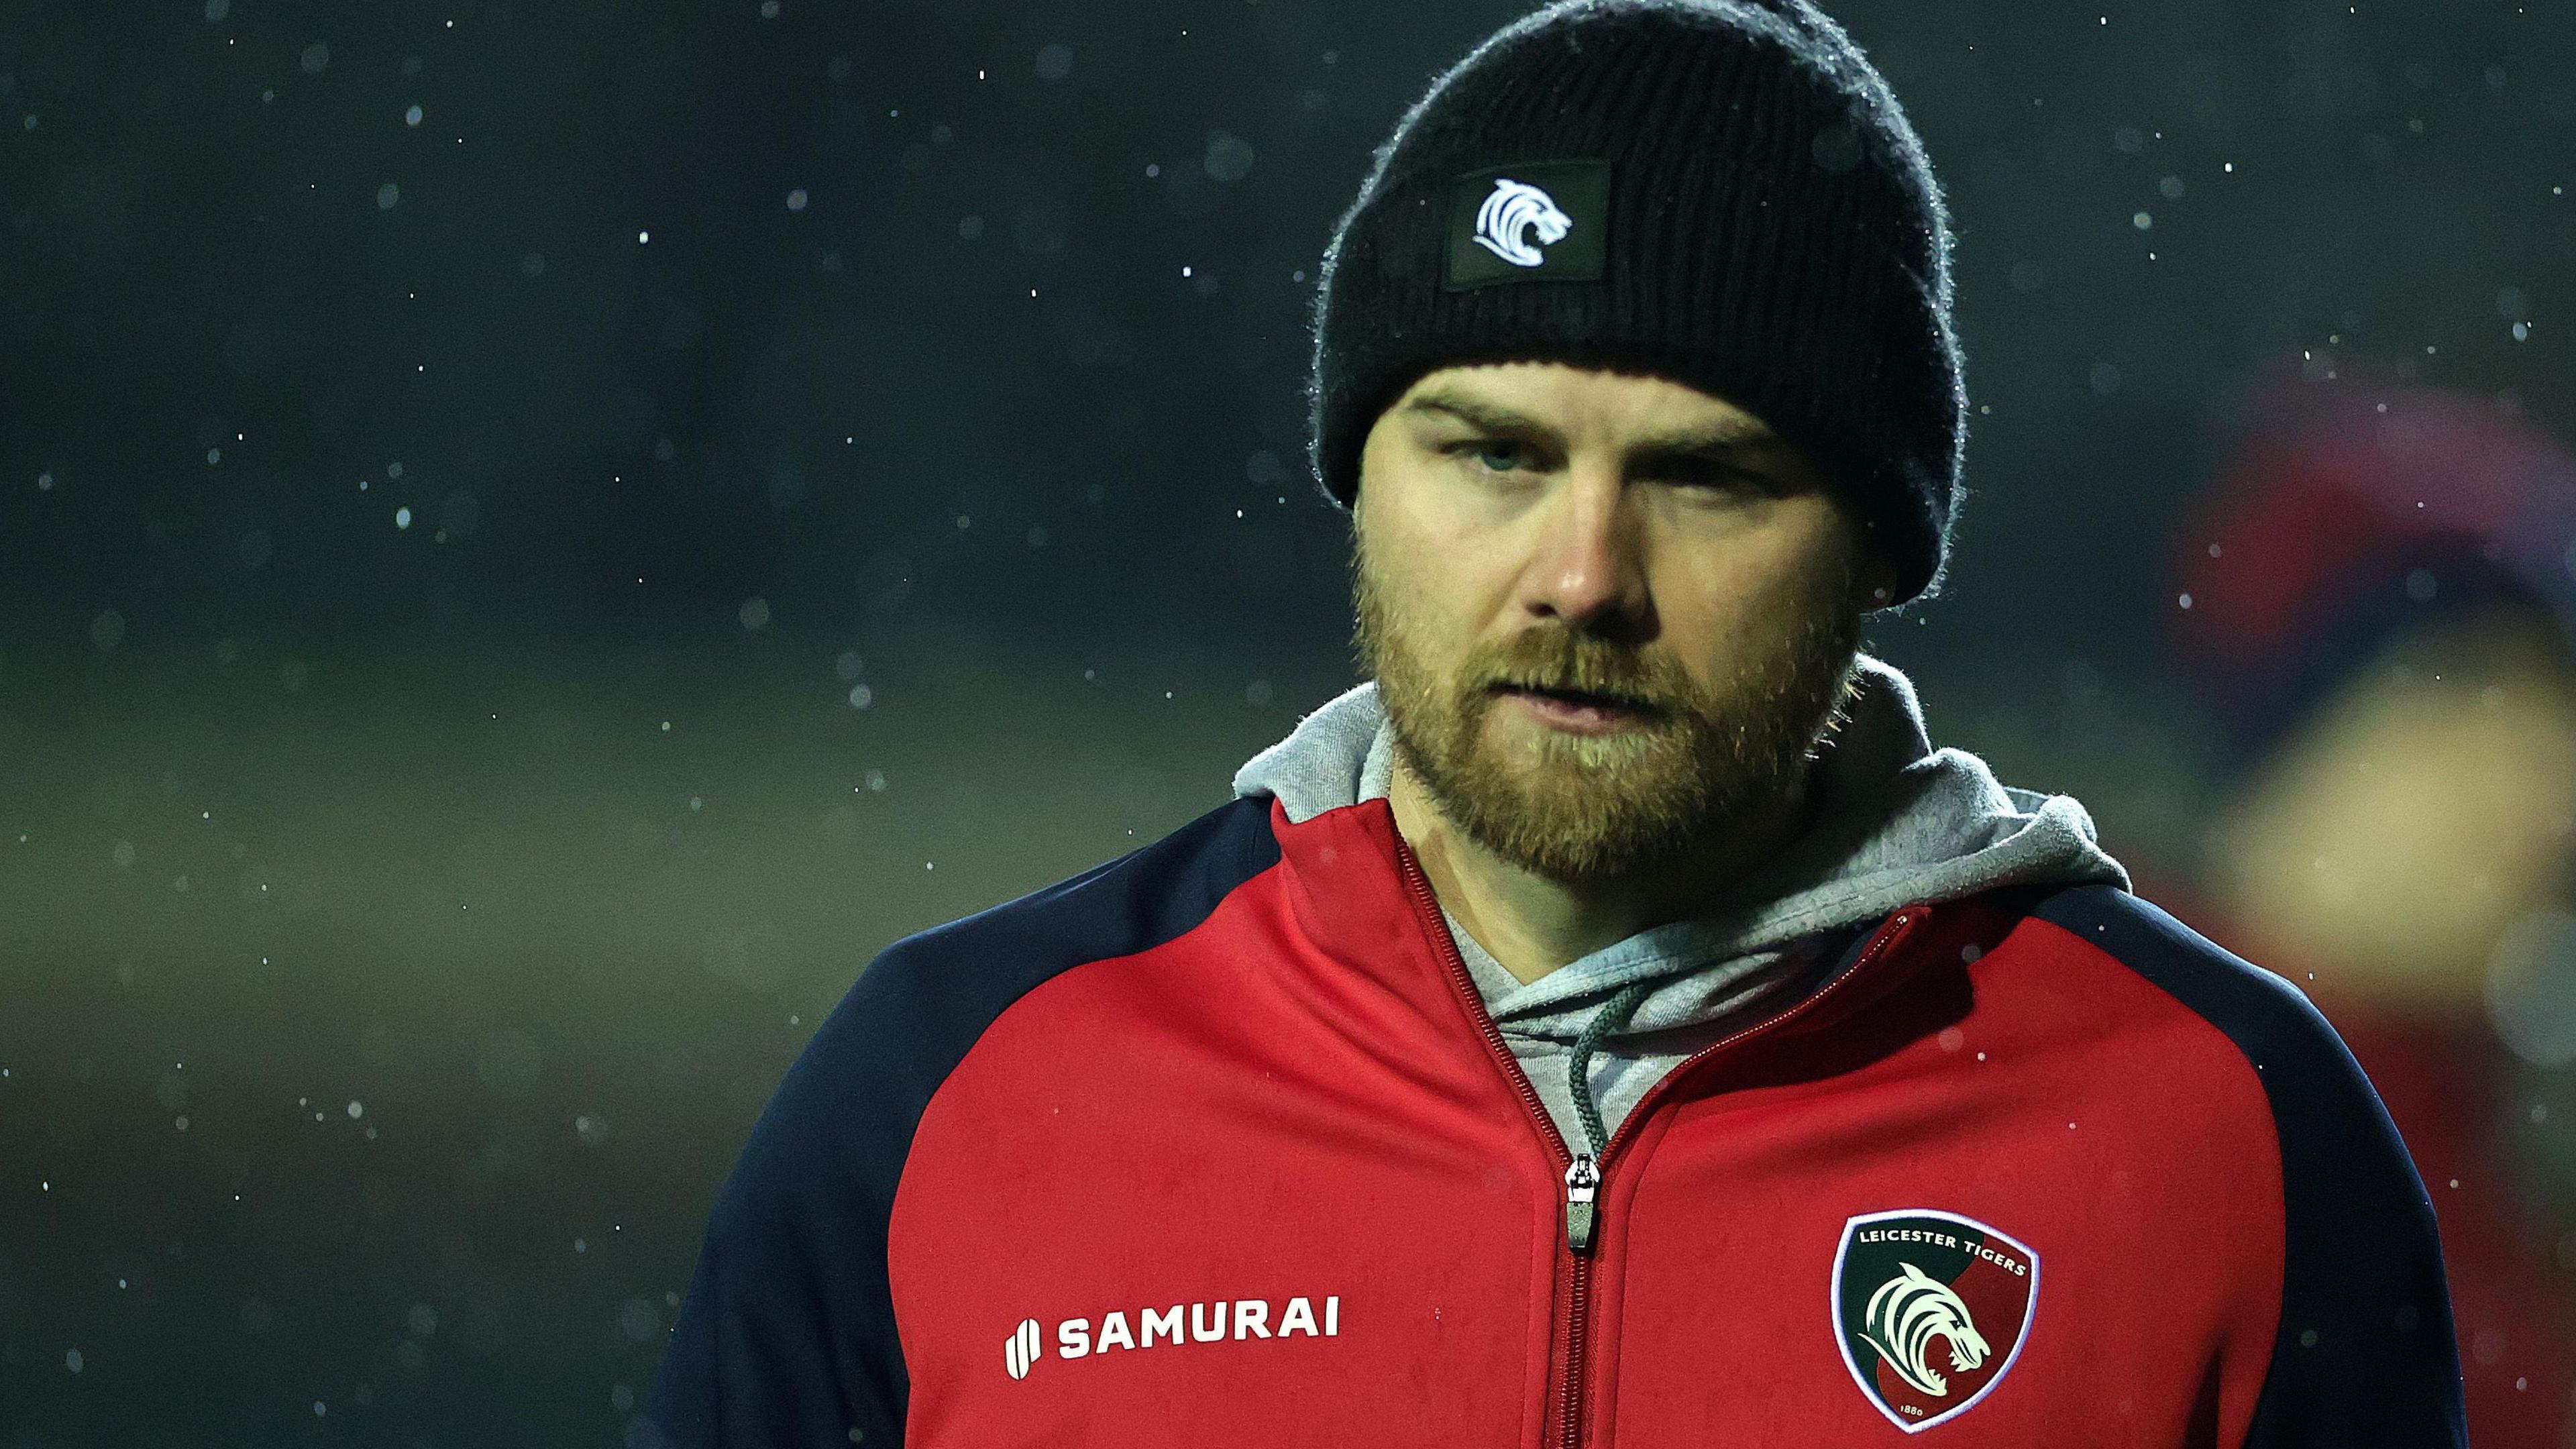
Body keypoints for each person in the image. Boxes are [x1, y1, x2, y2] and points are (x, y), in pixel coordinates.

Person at [639, 2, 2466, 1444]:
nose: (1582, 573)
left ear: (1881, 551)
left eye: (1708, 478)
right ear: (1363, 481)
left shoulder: (2215, 1129)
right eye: (1493, 456)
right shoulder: (950, 1095)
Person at [2153, 370, 2576, 1446]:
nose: (2547, 790)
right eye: (2459, 695)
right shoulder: (2124, 1128)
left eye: (2559, 713)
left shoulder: (2484, 1156)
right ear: (2290, 743)